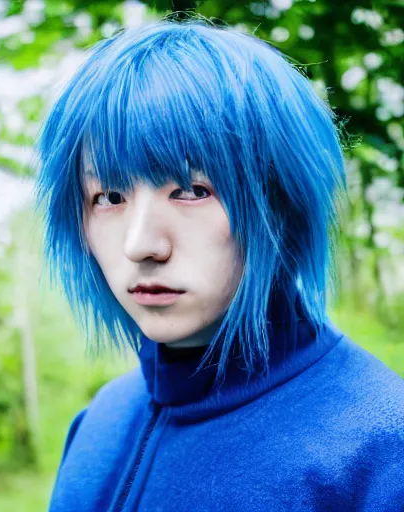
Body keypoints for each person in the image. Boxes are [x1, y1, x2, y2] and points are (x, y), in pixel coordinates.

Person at [35, 16, 404, 512]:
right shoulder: (99, 420)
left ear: (281, 202)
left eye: (191, 190)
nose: (141, 245)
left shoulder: (380, 451)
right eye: (109, 195)